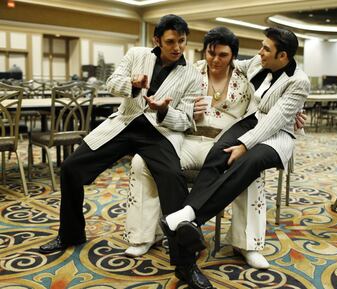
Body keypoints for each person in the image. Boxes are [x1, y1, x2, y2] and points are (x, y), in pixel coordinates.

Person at [38, 14, 213, 289]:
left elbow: (186, 120)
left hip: (159, 132)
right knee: (71, 168)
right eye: (170, 41)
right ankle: (71, 234)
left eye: (181, 41)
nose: (177, 47)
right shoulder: (137, 54)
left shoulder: (191, 74)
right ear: (157, 40)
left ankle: (185, 265)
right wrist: (133, 84)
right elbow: (112, 82)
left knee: (172, 179)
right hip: (124, 124)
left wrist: (165, 110)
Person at [160, 27, 310, 281]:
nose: (259, 52)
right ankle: (186, 216)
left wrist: (245, 145)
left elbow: (273, 122)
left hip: (277, 136)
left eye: (266, 49)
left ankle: (193, 220)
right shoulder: (256, 62)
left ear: (282, 56)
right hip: (252, 122)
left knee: (246, 162)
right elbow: (230, 61)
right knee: (219, 152)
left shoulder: (299, 81)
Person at [124, 26, 271, 269]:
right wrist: (185, 111)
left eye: (223, 55)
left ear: (233, 55)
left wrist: (294, 116)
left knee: (252, 170)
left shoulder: (247, 78)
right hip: (187, 139)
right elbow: (165, 106)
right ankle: (144, 236)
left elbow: (264, 109)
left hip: (224, 146)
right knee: (142, 162)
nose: (215, 60)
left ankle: (247, 244)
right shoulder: (187, 72)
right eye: (211, 53)